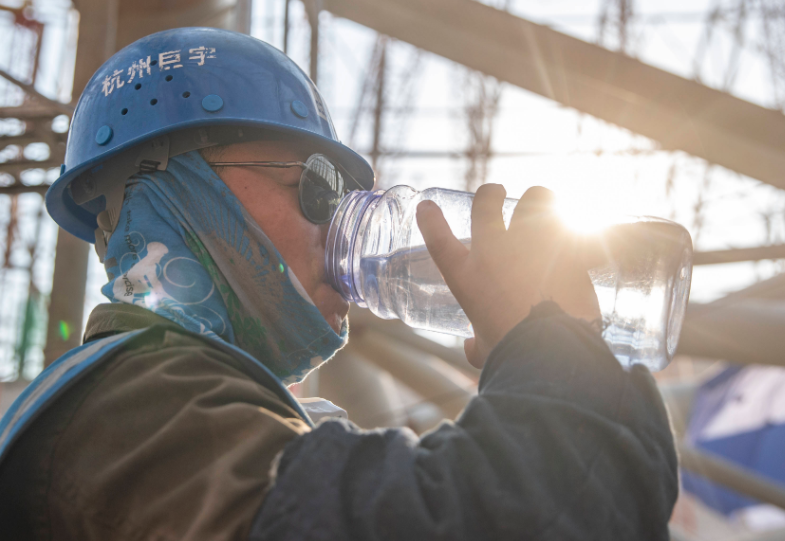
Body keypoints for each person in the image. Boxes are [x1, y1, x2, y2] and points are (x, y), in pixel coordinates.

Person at [0, 27, 678, 540]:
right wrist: (548, 345)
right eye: (317, 186)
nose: (341, 220)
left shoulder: (220, 414)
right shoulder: (138, 412)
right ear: (167, 192)